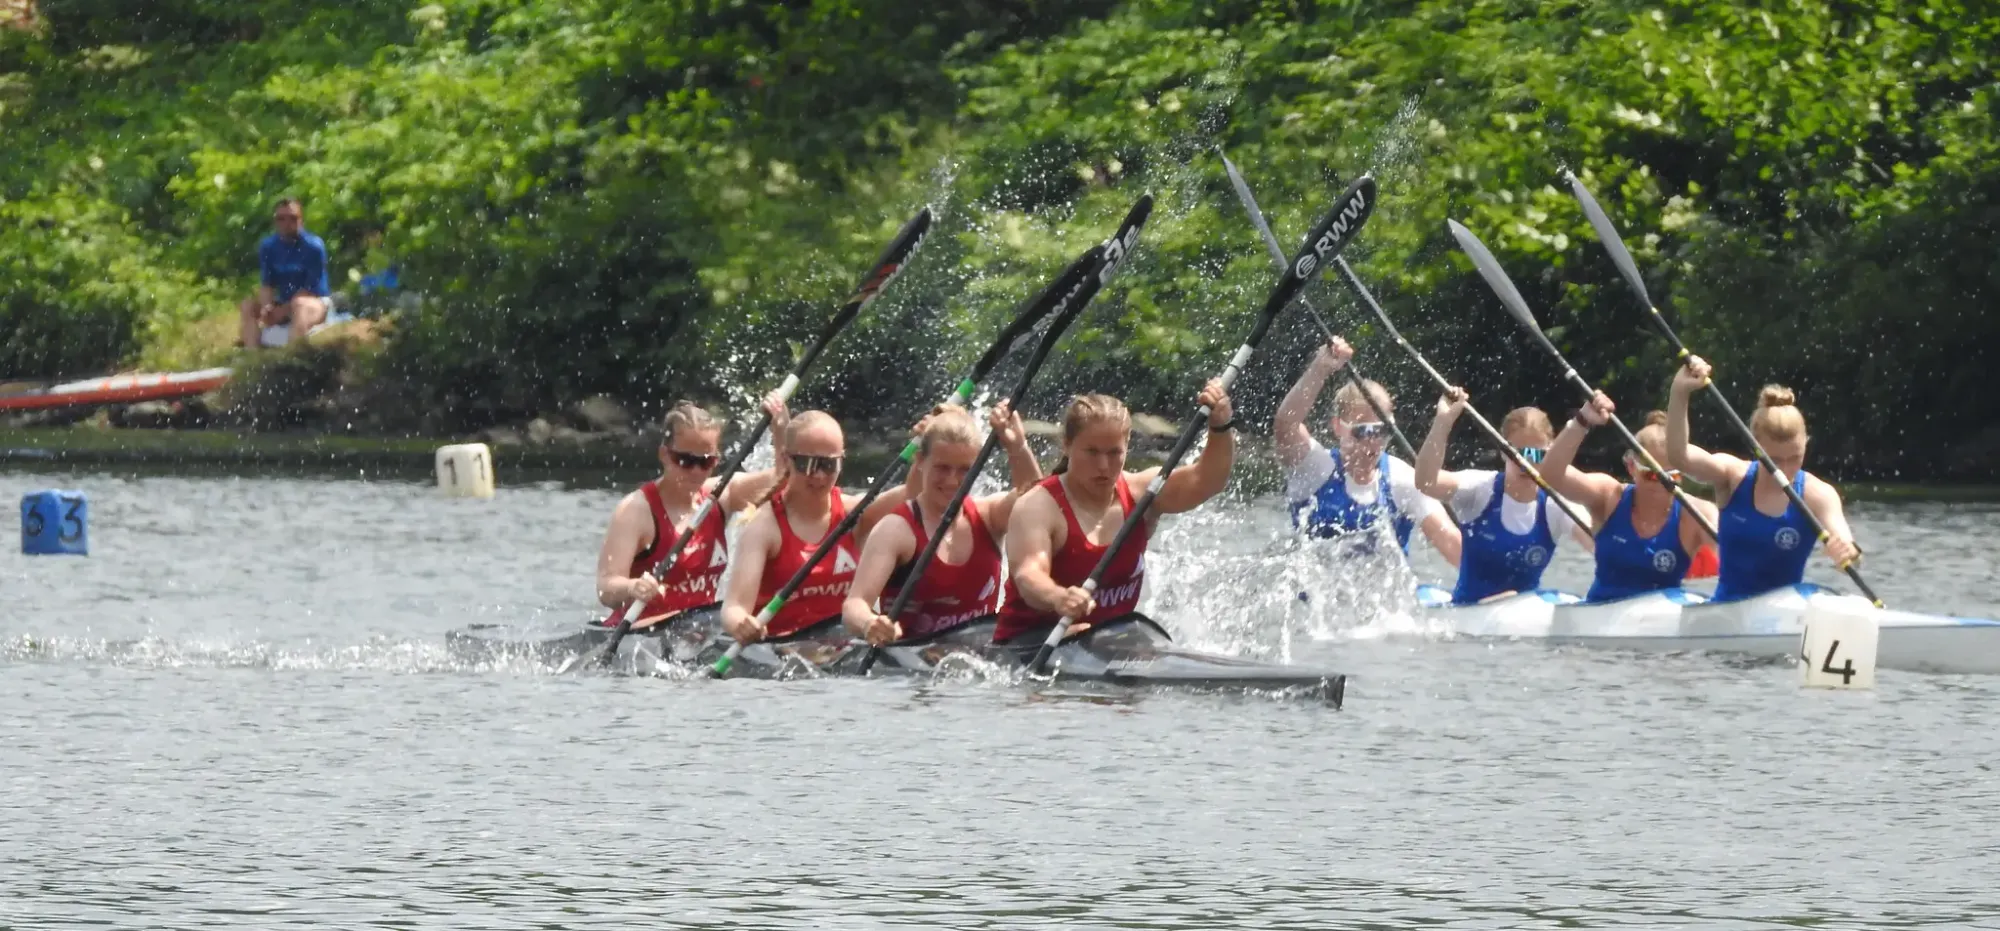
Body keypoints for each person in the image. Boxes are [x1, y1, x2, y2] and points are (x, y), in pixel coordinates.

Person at [994, 382, 1235, 651]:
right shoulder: (1037, 506)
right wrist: (1058, 597)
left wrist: (1220, 426)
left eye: (1114, 453)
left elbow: (1207, 481)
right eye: (1092, 452)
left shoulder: (1143, 494)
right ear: (1067, 445)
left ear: (1126, 447)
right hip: (1027, 645)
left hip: (1107, 643)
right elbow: (1029, 575)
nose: (1103, 465)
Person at [842, 401, 1042, 646]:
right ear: (920, 461)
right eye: (942, 468)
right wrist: (869, 623)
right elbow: (855, 604)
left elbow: (1035, 501)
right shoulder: (896, 530)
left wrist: (1018, 448)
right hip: (912, 661)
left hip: (979, 661)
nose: (952, 481)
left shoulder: (989, 517)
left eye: (964, 470)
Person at [1666, 356, 1860, 602]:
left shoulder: (1818, 494)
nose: (1785, 469)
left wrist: (1846, 553)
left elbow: (1850, 548)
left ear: (1806, 444)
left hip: (1785, 609)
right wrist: (1680, 392)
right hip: (1730, 608)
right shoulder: (1732, 477)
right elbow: (1679, 457)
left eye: (1795, 457)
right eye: (1775, 460)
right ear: (1755, 447)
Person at [594, 396, 791, 630]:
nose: (696, 471)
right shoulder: (635, 510)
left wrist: (781, 429)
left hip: (697, 631)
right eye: (685, 461)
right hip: (643, 633)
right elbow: (605, 588)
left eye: (706, 462)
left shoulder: (722, 496)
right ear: (664, 455)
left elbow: (783, 480)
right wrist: (632, 587)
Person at [721, 408, 905, 644]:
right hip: (783, 650)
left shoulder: (853, 514)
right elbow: (734, 608)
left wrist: (925, 446)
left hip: (840, 649)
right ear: (786, 460)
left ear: (841, 462)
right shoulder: (763, 528)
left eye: (828, 465)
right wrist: (742, 624)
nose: (818, 476)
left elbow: (914, 493)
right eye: (807, 464)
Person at [1275, 337, 1461, 565]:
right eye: (1363, 431)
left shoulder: (1402, 480)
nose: (1373, 443)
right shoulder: (1315, 470)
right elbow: (1286, 425)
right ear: (1338, 427)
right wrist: (1320, 369)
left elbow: (1450, 541)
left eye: (1382, 431)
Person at [1415, 389, 1594, 604]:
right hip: (1470, 610)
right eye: (1518, 455)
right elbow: (1426, 483)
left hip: (1526, 611)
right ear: (1502, 451)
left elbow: (1600, 543)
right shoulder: (1480, 490)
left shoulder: (1556, 505)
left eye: (1536, 454)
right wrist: (1443, 422)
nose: (1526, 464)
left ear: (1551, 453)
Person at [1541, 392, 1720, 602]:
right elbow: (1551, 475)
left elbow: (1737, 559)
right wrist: (1582, 421)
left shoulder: (1697, 514)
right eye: (1651, 475)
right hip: (1602, 610)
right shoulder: (1609, 497)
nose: (1661, 486)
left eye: (1671, 477)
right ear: (1631, 466)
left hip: (1662, 614)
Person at [239, 197, 331, 349]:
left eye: (293, 218)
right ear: (275, 222)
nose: (287, 223)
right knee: (247, 305)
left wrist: (283, 311)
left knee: (299, 304)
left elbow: (310, 290)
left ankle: (292, 354)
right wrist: (267, 308)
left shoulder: (313, 246)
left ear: (301, 220)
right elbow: (267, 284)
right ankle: (252, 355)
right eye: (281, 219)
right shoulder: (268, 247)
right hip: (283, 303)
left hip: (314, 302)